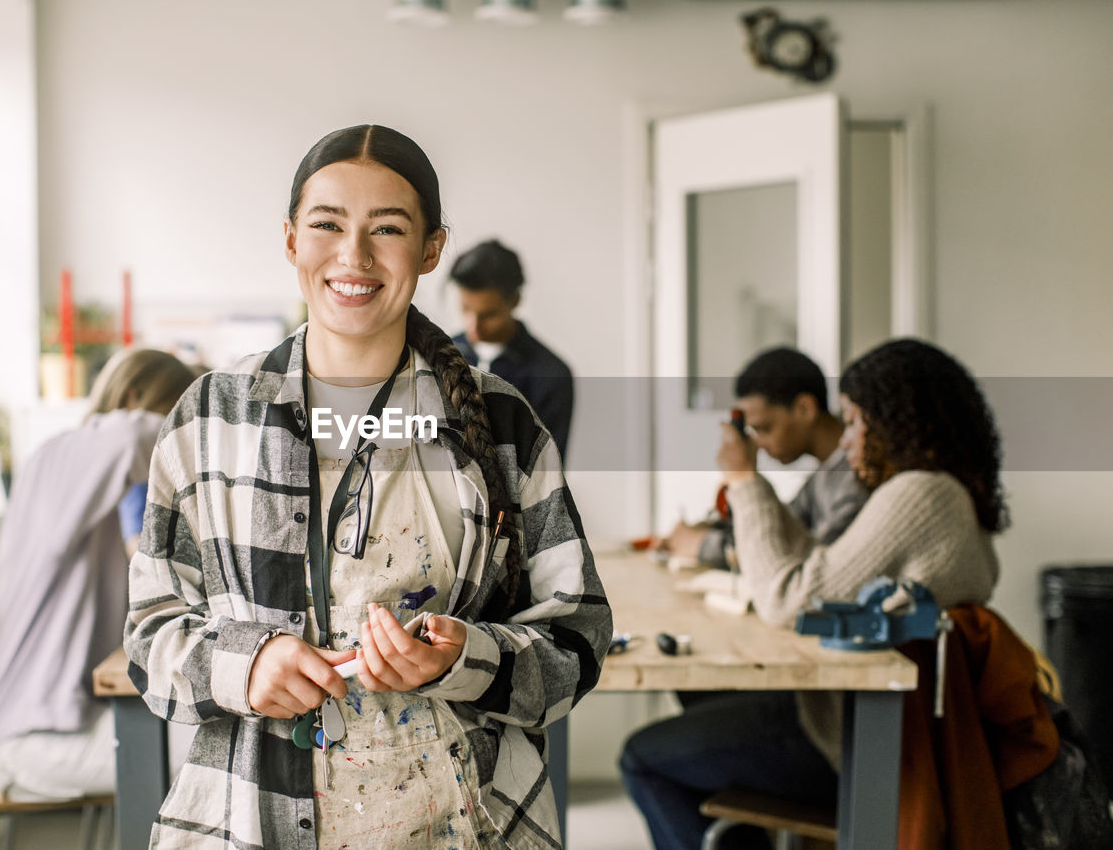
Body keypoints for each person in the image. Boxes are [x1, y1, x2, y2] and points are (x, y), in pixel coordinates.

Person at [125, 125, 611, 849]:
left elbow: (576, 641)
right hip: (249, 824)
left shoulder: (505, 423)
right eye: (327, 224)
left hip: (464, 825)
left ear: (431, 250)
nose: (353, 256)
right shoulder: (210, 416)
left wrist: (463, 657)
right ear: (291, 239)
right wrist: (245, 665)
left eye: (387, 228)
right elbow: (150, 635)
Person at [621, 338, 1007, 850]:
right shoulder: (939, 491)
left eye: (855, 422)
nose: (846, 442)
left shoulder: (920, 494)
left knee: (642, 758)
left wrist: (743, 479)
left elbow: (790, 597)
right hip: (872, 721)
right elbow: (816, 564)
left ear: (898, 423)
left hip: (852, 735)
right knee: (699, 699)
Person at [0, 347, 197, 801]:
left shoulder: (89, 482)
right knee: (232, 746)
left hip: (70, 720)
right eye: (173, 408)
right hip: (39, 735)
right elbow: (134, 437)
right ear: (134, 396)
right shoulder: (60, 456)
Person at [661, 346, 868, 567]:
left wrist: (700, 544)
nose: (758, 444)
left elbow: (802, 558)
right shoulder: (826, 473)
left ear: (805, 409)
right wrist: (712, 528)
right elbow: (780, 527)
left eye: (765, 428)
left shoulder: (859, 477)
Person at [449, 239, 575, 460]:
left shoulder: (551, 375)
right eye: (466, 309)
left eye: (488, 315)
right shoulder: (443, 354)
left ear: (515, 301)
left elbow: (548, 472)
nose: (473, 328)